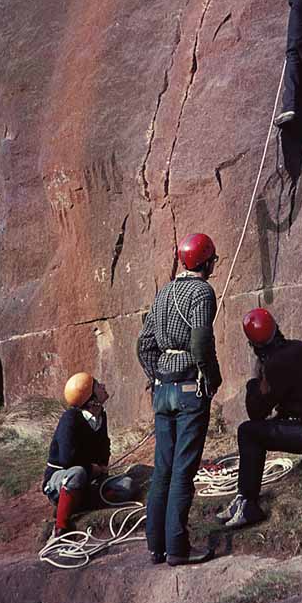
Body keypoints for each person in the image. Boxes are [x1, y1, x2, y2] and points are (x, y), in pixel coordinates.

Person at [217, 308, 302, 529]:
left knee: (248, 432)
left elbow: (255, 412)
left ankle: (248, 504)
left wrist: (253, 377)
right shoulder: (299, 347)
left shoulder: (276, 364)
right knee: (255, 430)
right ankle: (243, 498)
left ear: (254, 346)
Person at [137, 232, 222, 566]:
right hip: (189, 389)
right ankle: (178, 548)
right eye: (213, 259)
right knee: (183, 473)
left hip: (163, 388)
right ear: (205, 261)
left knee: (163, 470)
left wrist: (155, 375)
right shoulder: (202, 291)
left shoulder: (163, 293)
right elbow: (201, 341)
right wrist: (212, 379)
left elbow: (144, 343)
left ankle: (155, 546)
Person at [43, 372, 134, 538]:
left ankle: (76, 504)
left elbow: (103, 452)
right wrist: (92, 469)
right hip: (62, 479)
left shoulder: (101, 416)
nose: (103, 387)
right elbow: (66, 459)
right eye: (98, 386)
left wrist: (101, 469)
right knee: (77, 473)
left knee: (126, 485)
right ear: (91, 398)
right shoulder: (70, 419)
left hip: (89, 479)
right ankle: (61, 527)